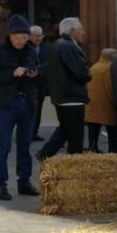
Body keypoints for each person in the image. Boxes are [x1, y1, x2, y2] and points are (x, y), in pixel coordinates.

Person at [0, 14, 40, 201]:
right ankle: (1, 185)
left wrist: (35, 75)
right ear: (10, 35)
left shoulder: (31, 51)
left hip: (27, 103)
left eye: (25, 37)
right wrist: (11, 74)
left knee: (24, 146)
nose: (22, 40)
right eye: (18, 37)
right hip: (6, 104)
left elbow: (41, 78)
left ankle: (24, 182)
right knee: (4, 146)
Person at [37, 17, 90, 160]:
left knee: (65, 129)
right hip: (72, 96)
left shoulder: (55, 45)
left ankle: (44, 154)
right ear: (72, 31)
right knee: (75, 135)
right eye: (81, 30)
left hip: (61, 96)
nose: (83, 33)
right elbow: (80, 72)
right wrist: (87, 74)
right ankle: (74, 162)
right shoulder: (69, 46)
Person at [85, 48, 117, 153]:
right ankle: (112, 149)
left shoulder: (94, 66)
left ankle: (92, 147)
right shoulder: (108, 68)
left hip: (92, 101)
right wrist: (114, 101)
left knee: (93, 126)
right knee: (111, 127)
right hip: (104, 102)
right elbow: (110, 87)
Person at [29, 25, 48, 141]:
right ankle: (27, 133)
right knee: (30, 111)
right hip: (30, 85)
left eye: (40, 36)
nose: (39, 38)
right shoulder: (25, 48)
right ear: (29, 36)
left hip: (41, 84)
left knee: (38, 110)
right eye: (36, 36)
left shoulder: (45, 48)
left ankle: (34, 132)